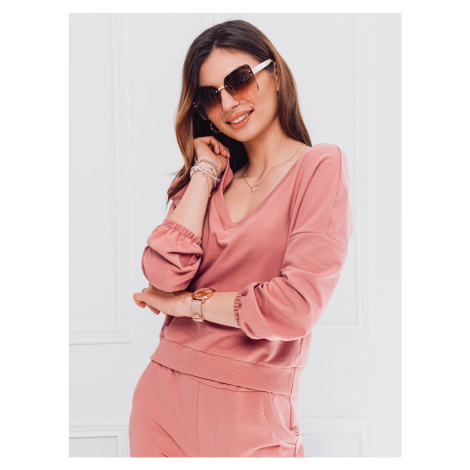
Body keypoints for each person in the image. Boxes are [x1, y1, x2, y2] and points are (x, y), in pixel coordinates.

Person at [128, 19, 353, 458]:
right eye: (211, 96)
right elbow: (163, 274)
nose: (229, 103)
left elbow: (295, 306)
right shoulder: (210, 182)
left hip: (252, 415)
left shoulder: (319, 167)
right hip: (161, 403)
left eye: (240, 80)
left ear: (275, 74)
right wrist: (203, 173)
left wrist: (188, 306)